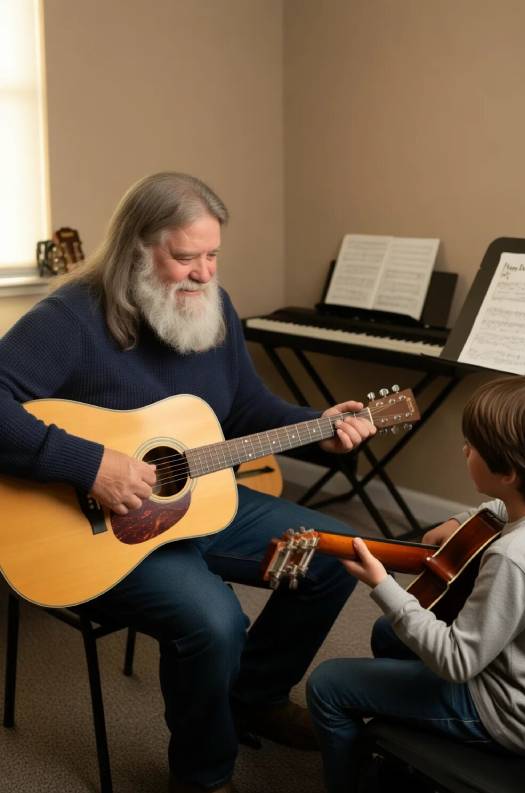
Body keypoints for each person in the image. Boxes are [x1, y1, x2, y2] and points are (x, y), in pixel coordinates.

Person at [0, 172, 377, 793]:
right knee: (213, 620)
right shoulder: (68, 318)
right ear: (135, 250)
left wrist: (319, 426)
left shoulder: (214, 306)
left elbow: (248, 406)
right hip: (99, 535)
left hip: (205, 503)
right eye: (185, 257)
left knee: (333, 555)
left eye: (212, 254)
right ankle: (203, 776)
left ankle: (255, 696)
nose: (205, 272)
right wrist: (89, 465)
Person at [307, 375, 525, 793]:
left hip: (507, 716)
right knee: (389, 635)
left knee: (327, 684)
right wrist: (461, 521)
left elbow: (457, 662)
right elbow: (501, 508)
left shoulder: (514, 558)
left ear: (507, 472)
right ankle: (405, 744)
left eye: (474, 448)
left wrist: (383, 585)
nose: (465, 450)